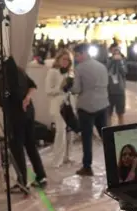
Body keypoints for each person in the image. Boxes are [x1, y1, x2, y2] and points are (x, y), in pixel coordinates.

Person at [0, 63, 48, 193]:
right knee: (30, 145)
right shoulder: (17, 70)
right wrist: (27, 98)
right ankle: (41, 177)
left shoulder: (3, 77)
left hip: (16, 116)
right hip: (28, 112)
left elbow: (2, 102)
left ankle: (22, 182)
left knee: (17, 148)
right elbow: (32, 86)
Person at [71, 43, 110, 177]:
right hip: (103, 105)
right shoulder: (102, 66)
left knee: (87, 138)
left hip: (86, 107)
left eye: (76, 55)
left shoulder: (80, 68)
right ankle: (114, 162)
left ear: (83, 54)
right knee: (106, 135)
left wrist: (69, 86)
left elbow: (77, 89)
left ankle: (87, 167)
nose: (76, 58)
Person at [45, 49, 74, 167]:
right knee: (60, 131)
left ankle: (67, 157)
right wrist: (60, 87)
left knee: (69, 132)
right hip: (57, 105)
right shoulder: (53, 72)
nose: (66, 62)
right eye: (64, 59)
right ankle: (57, 159)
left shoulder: (69, 72)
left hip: (68, 104)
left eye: (68, 60)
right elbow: (48, 90)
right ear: (58, 60)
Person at [107, 44, 127, 126]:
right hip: (109, 91)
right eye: (114, 50)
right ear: (111, 51)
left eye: (117, 49)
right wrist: (112, 61)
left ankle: (121, 131)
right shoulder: (108, 60)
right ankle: (109, 132)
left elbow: (124, 72)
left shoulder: (123, 60)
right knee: (108, 114)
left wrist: (119, 61)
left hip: (120, 91)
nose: (116, 51)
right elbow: (106, 70)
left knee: (120, 113)